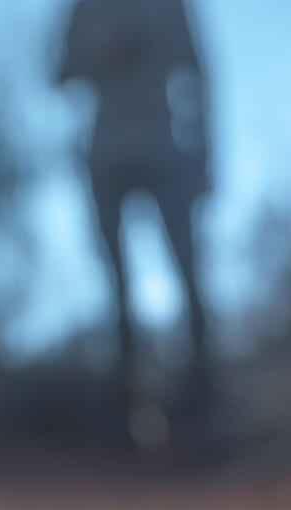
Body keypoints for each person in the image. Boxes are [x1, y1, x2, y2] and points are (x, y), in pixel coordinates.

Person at [55, 0, 213, 423]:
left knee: (189, 274)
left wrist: (207, 156)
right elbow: (58, 72)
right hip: (107, 155)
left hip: (164, 151)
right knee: (116, 285)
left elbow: (199, 72)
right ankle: (125, 408)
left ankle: (203, 398)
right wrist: (97, 50)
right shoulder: (84, 7)